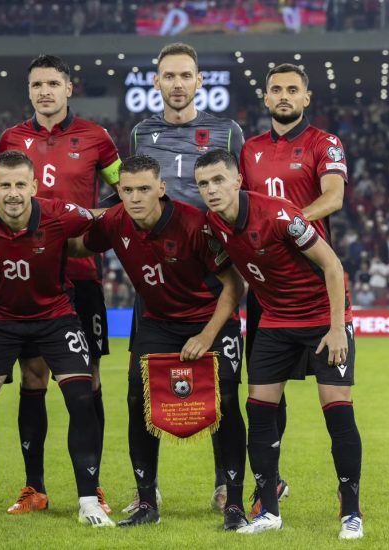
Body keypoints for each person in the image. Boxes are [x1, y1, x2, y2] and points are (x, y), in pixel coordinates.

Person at [70, 155, 248, 530]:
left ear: (161, 189)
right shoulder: (114, 220)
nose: (135, 197)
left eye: (144, 189)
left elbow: (234, 285)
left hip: (210, 319)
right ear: (119, 192)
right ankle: (147, 503)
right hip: (158, 322)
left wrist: (206, 336)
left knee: (227, 401)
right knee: (137, 399)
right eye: (128, 190)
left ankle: (234, 504)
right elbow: (81, 246)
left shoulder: (194, 225)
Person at [194, 149, 362, 540]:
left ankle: (351, 512)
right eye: (203, 184)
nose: (211, 189)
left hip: (322, 318)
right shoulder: (212, 224)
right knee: (259, 412)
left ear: (238, 181)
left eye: (219, 180)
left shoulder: (280, 214)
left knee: (338, 413)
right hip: (275, 322)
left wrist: (338, 328)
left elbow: (332, 265)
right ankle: (269, 510)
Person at [0, 150, 113, 528]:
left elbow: (101, 218)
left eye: (20, 184)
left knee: (81, 397)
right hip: (0, 321)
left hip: (56, 318)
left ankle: (89, 501)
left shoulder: (59, 213)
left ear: (34, 187)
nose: (13, 193)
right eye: (5, 185)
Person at [123, 41, 246, 514]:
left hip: (213, 277)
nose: (177, 84)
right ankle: (147, 490)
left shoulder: (227, 132)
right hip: (156, 282)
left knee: (226, 391)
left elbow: (242, 195)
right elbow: (130, 196)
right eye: (169, 76)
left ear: (199, 81)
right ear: (157, 82)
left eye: (185, 76)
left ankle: (226, 486)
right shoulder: (141, 134)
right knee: (140, 391)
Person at [0, 54, 121, 514]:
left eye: (53, 83)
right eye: (37, 84)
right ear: (28, 90)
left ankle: (94, 486)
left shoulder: (96, 137)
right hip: (28, 277)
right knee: (34, 376)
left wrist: (92, 217)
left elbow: (124, 186)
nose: (45, 91)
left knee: (89, 380)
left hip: (80, 275)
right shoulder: (12, 139)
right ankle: (34, 488)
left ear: (69, 88)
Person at [239, 62, 348, 515]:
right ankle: (271, 485)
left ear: (306, 97)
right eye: (276, 89)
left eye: (292, 89)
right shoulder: (249, 149)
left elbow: (334, 197)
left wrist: (286, 223)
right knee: (265, 394)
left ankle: (348, 490)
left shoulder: (324, 142)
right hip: (266, 290)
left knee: (336, 400)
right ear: (266, 97)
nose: (283, 96)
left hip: (313, 283)